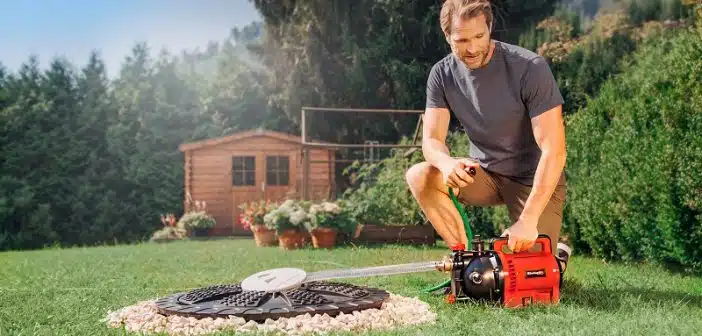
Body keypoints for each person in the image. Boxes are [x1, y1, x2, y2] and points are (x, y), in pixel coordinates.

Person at [405, 0, 570, 263]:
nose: (471, 48)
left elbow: (554, 150)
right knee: (420, 175)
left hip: (531, 178)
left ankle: (555, 254)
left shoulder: (530, 67)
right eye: (460, 40)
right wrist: (446, 163)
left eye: (479, 36)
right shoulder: (441, 74)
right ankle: (466, 261)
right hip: (484, 174)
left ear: (490, 28)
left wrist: (527, 221)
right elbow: (432, 140)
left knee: (532, 271)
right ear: (447, 36)